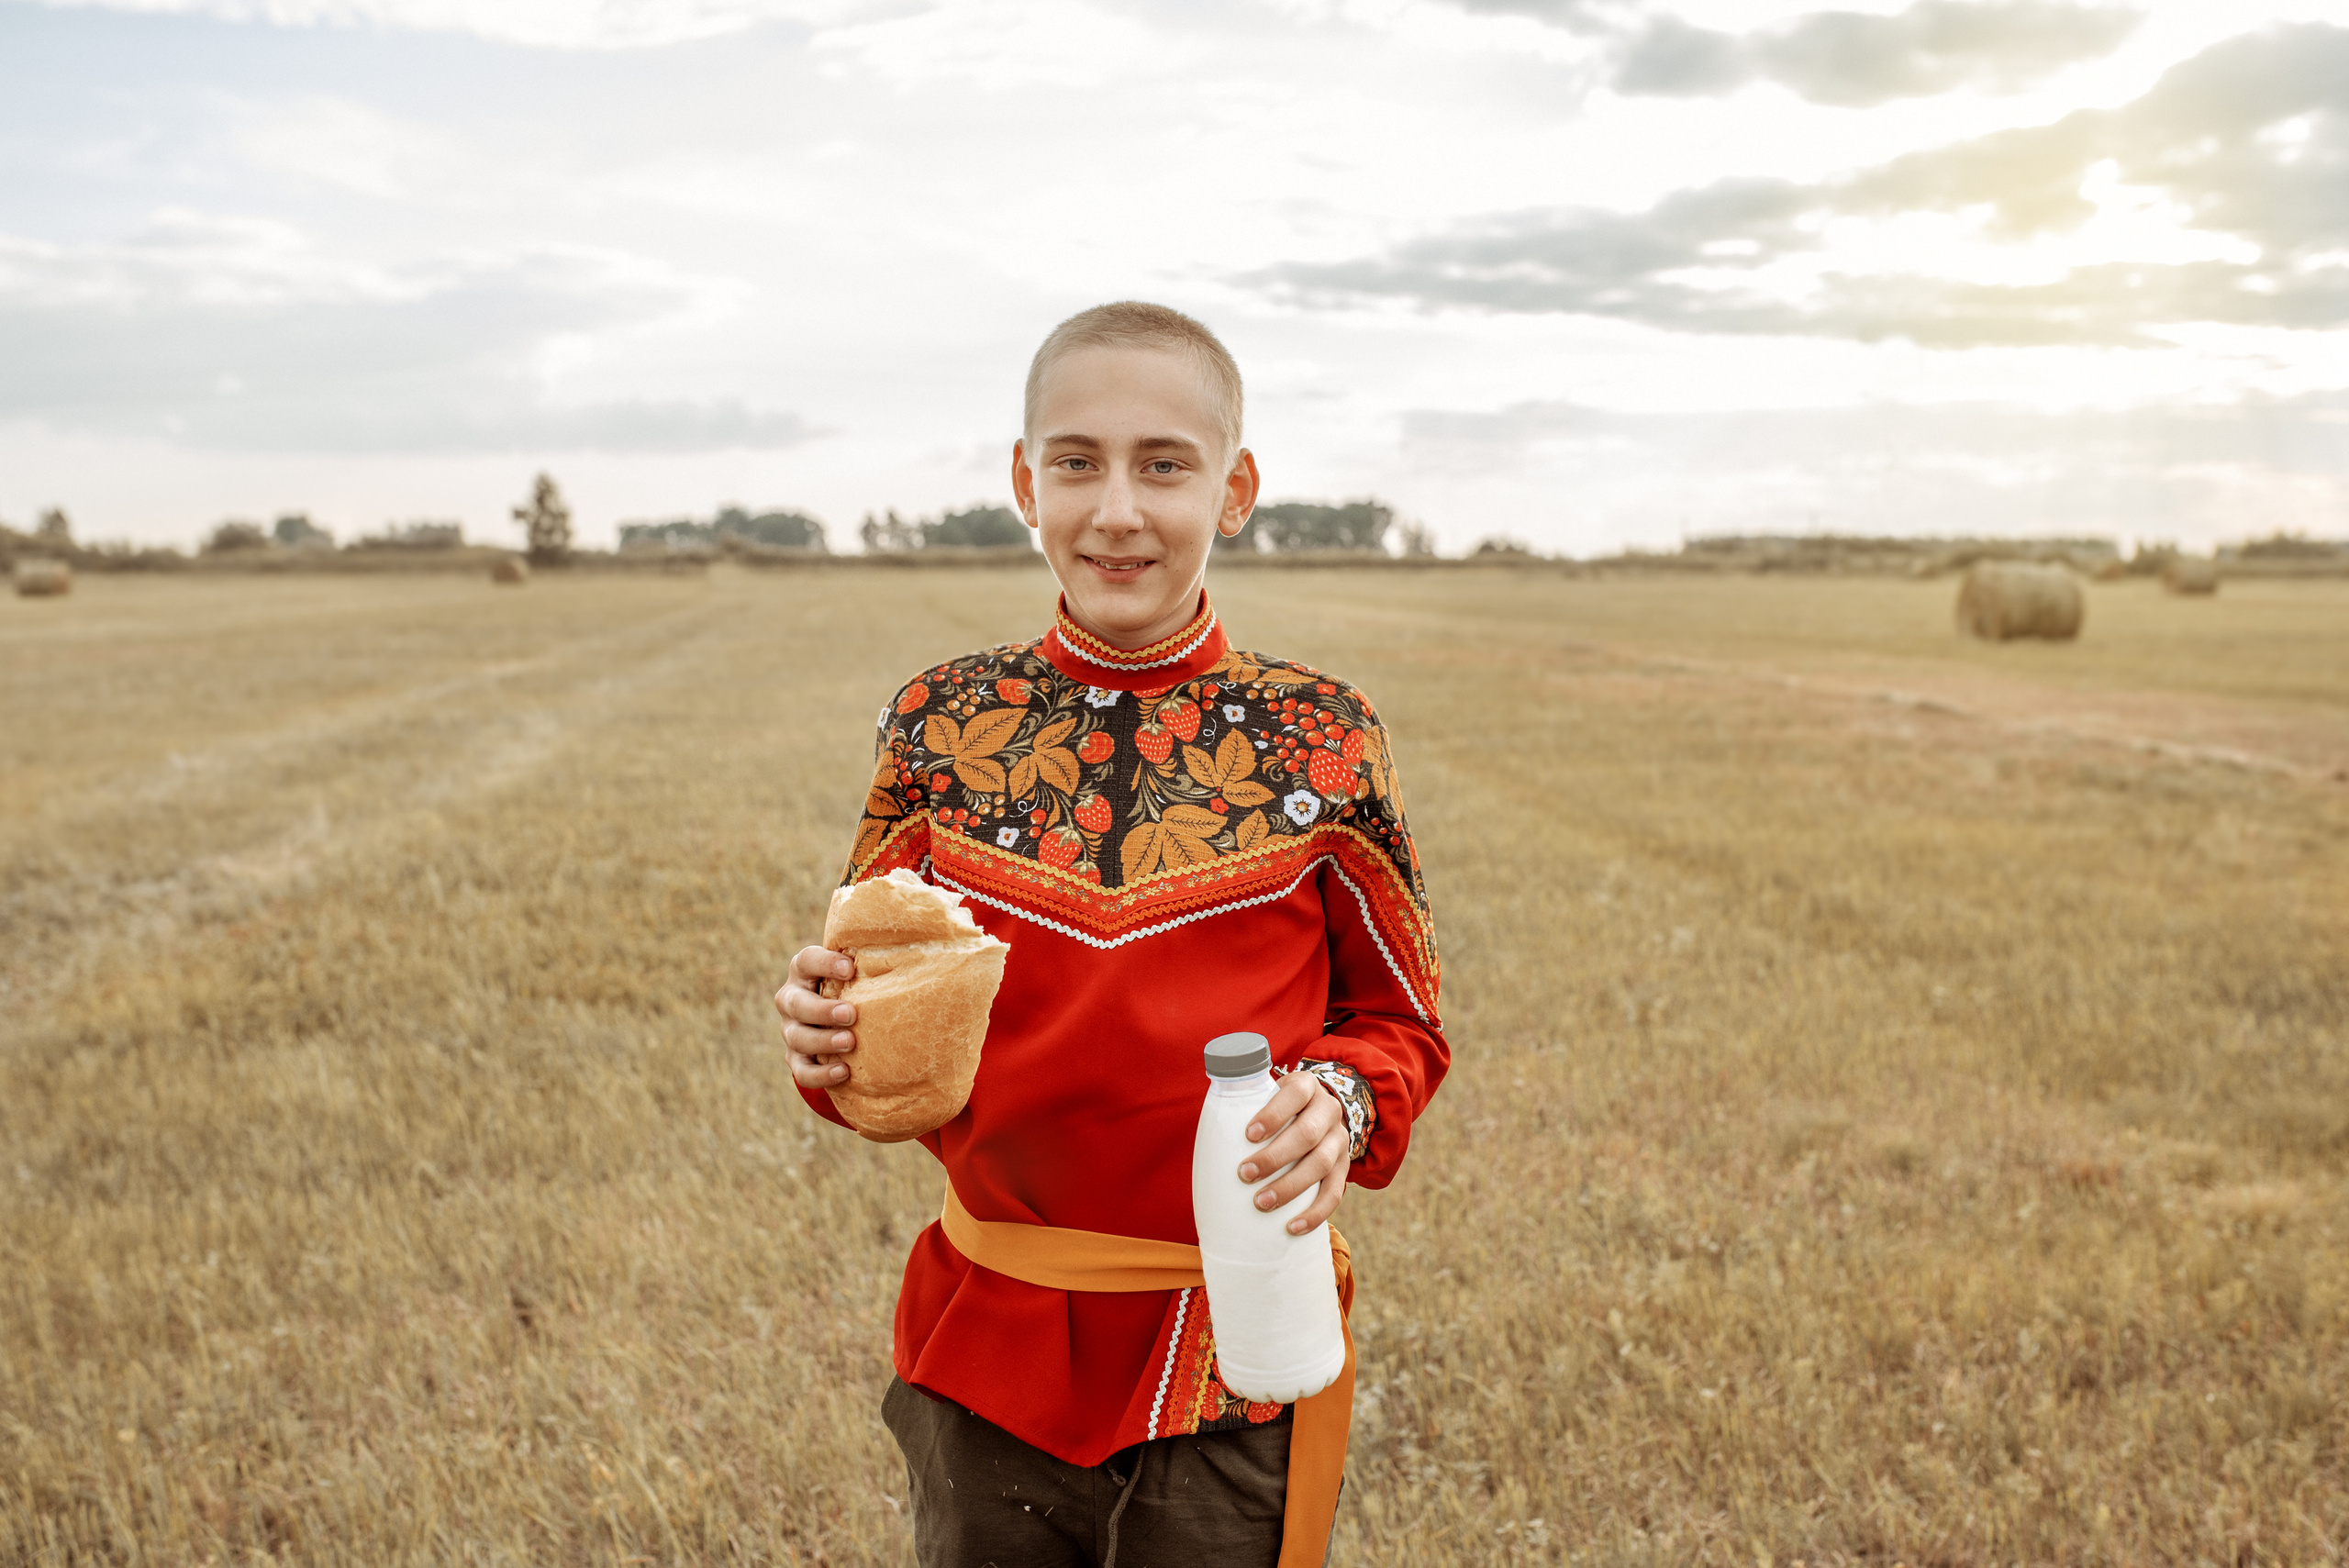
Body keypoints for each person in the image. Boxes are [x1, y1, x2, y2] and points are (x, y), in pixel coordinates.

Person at [774, 301, 1448, 1567]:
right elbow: (881, 1024)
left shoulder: (1325, 736)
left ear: (1234, 491)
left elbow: (1399, 1020)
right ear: (1026, 483)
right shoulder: (937, 727)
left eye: (1165, 465)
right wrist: (828, 1039)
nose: (1118, 510)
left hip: (1236, 1352)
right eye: (1077, 462)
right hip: (986, 1355)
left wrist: (1344, 1100)